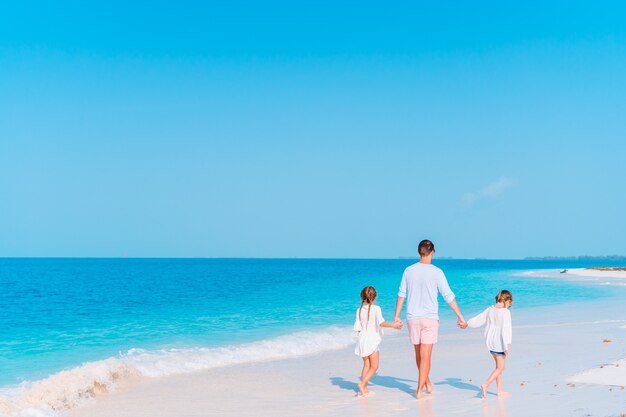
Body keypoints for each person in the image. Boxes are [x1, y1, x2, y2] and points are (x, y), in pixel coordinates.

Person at [393, 239, 466, 399]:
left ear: (420, 252)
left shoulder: (408, 270)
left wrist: (396, 316)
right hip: (430, 319)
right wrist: (460, 316)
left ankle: (426, 383)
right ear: (432, 252)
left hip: (412, 318)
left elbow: (401, 294)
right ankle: (420, 390)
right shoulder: (437, 272)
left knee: (419, 355)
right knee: (426, 356)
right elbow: (448, 296)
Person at [462, 290, 513, 399]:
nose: (509, 306)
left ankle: (499, 390)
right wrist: (506, 344)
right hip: (500, 342)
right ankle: (486, 385)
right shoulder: (505, 312)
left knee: (497, 367)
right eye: (510, 304)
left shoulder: (490, 309)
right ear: (506, 300)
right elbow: (506, 329)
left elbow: (479, 319)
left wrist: (468, 324)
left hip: (491, 341)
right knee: (500, 368)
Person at [353, 285, 402, 397]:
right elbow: (381, 323)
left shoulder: (359, 310)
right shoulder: (376, 309)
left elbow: (358, 327)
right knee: (374, 367)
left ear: (362, 297)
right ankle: (362, 384)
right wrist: (393, 325)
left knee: (366, 365)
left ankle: (364, 390)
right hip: (371, 341)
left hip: (362, 340)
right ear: (375, 297)